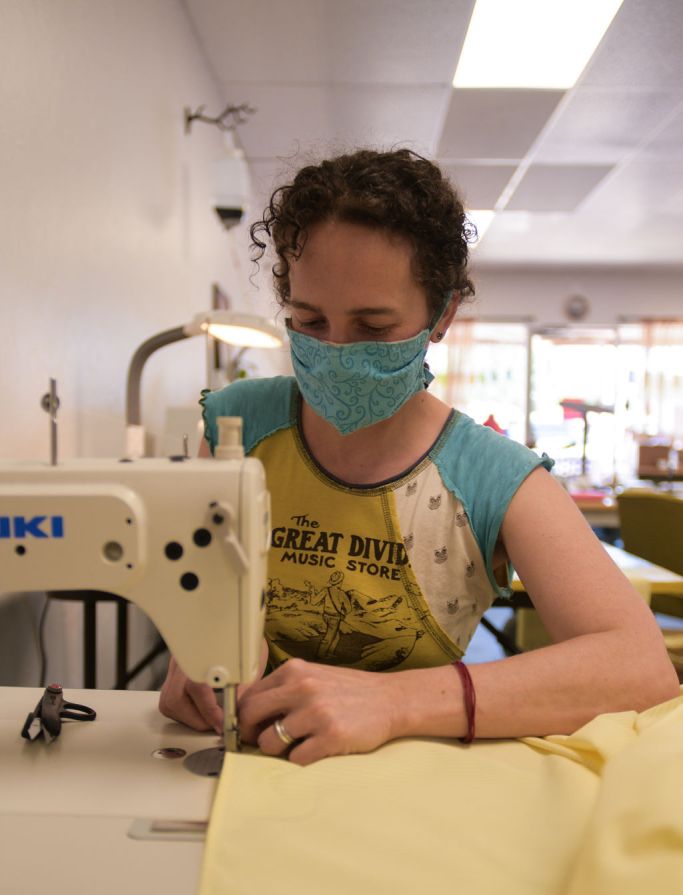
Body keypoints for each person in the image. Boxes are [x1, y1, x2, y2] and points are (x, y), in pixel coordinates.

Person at [159, 148, 678, 764]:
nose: (336, 351)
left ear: (442, 314)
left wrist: (394, 702)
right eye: (310, 320)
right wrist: (192, 653)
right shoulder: (237, 428)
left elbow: (640, 669)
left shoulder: (493, 477)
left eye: (373, 328)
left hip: (410, 780)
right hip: (252, 762)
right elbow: (201, 596)